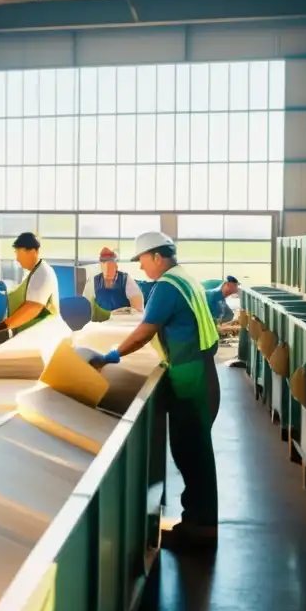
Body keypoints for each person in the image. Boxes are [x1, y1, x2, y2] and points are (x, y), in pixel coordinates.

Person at [88, 232, 221, 553]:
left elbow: (144, 333)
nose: (142, 267)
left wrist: (110, 356)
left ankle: (199, 528)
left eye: (143, 260)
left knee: (191, 453)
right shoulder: (185, 278)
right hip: (202, 371)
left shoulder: (166, 287)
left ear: (157, 257)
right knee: (196, 452)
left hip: (189, 376)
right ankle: (200, 522)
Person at [0, 232, 60, 333]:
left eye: (18, 253)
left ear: (31, 251)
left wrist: (6, 324)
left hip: (40, 334)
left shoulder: (42, 273)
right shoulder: (35, 271)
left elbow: (33, 307)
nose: (17, 259)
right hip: (32, 333)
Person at [82, 247, 144, 315]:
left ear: (116, 265)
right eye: (104, 263)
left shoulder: (126, 280)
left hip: (122, 322)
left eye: (110, 263)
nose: (107, 268)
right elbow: (85, 307)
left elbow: (138, 309)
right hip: (103, 322)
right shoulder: (93, 281)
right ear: (100, 265)